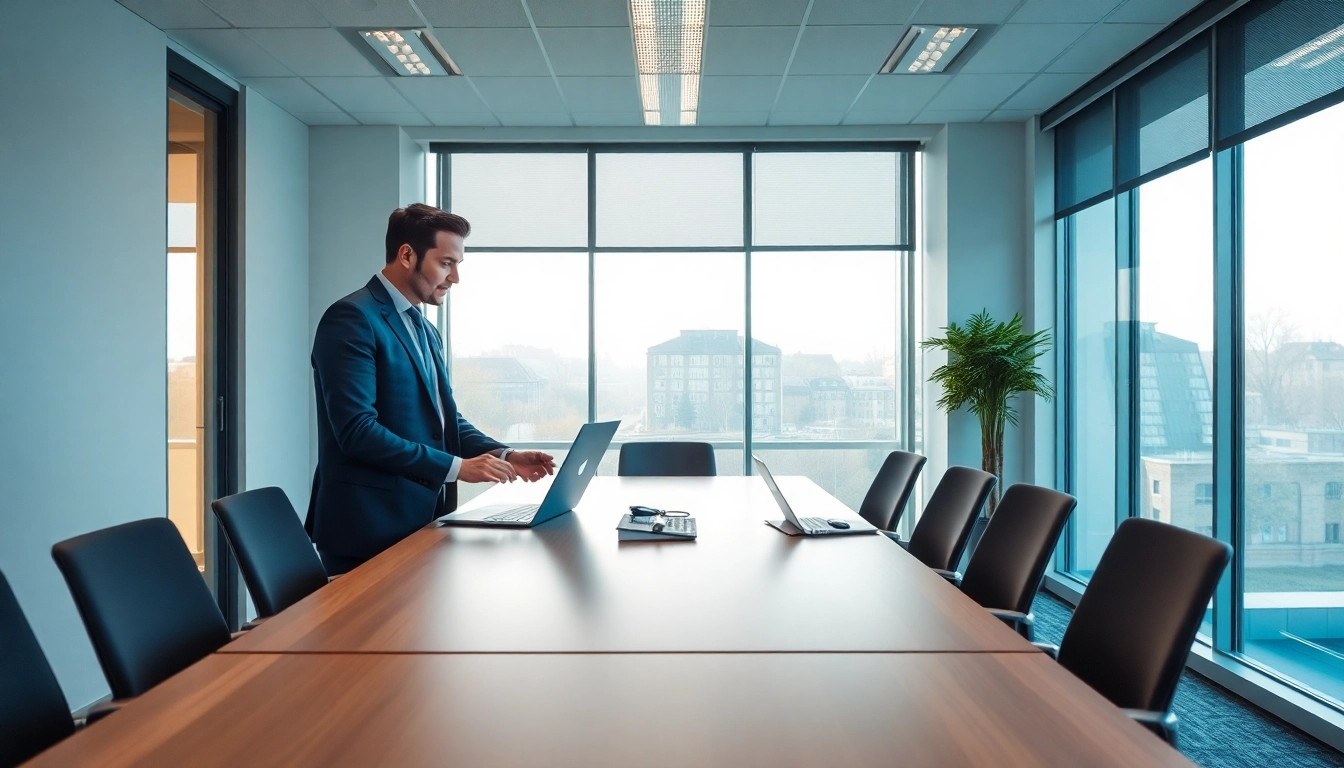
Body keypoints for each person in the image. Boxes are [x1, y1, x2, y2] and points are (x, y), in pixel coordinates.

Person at [306, 204, 556, 575]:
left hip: (421, 522)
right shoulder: (352, 318)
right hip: (367, 528)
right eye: (445, 263)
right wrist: (458, 468)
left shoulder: (424, 329)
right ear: (407, 255)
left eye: (458, 265)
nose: (455, 277)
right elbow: (357, 432)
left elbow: (444, 420)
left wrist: (505, 455)